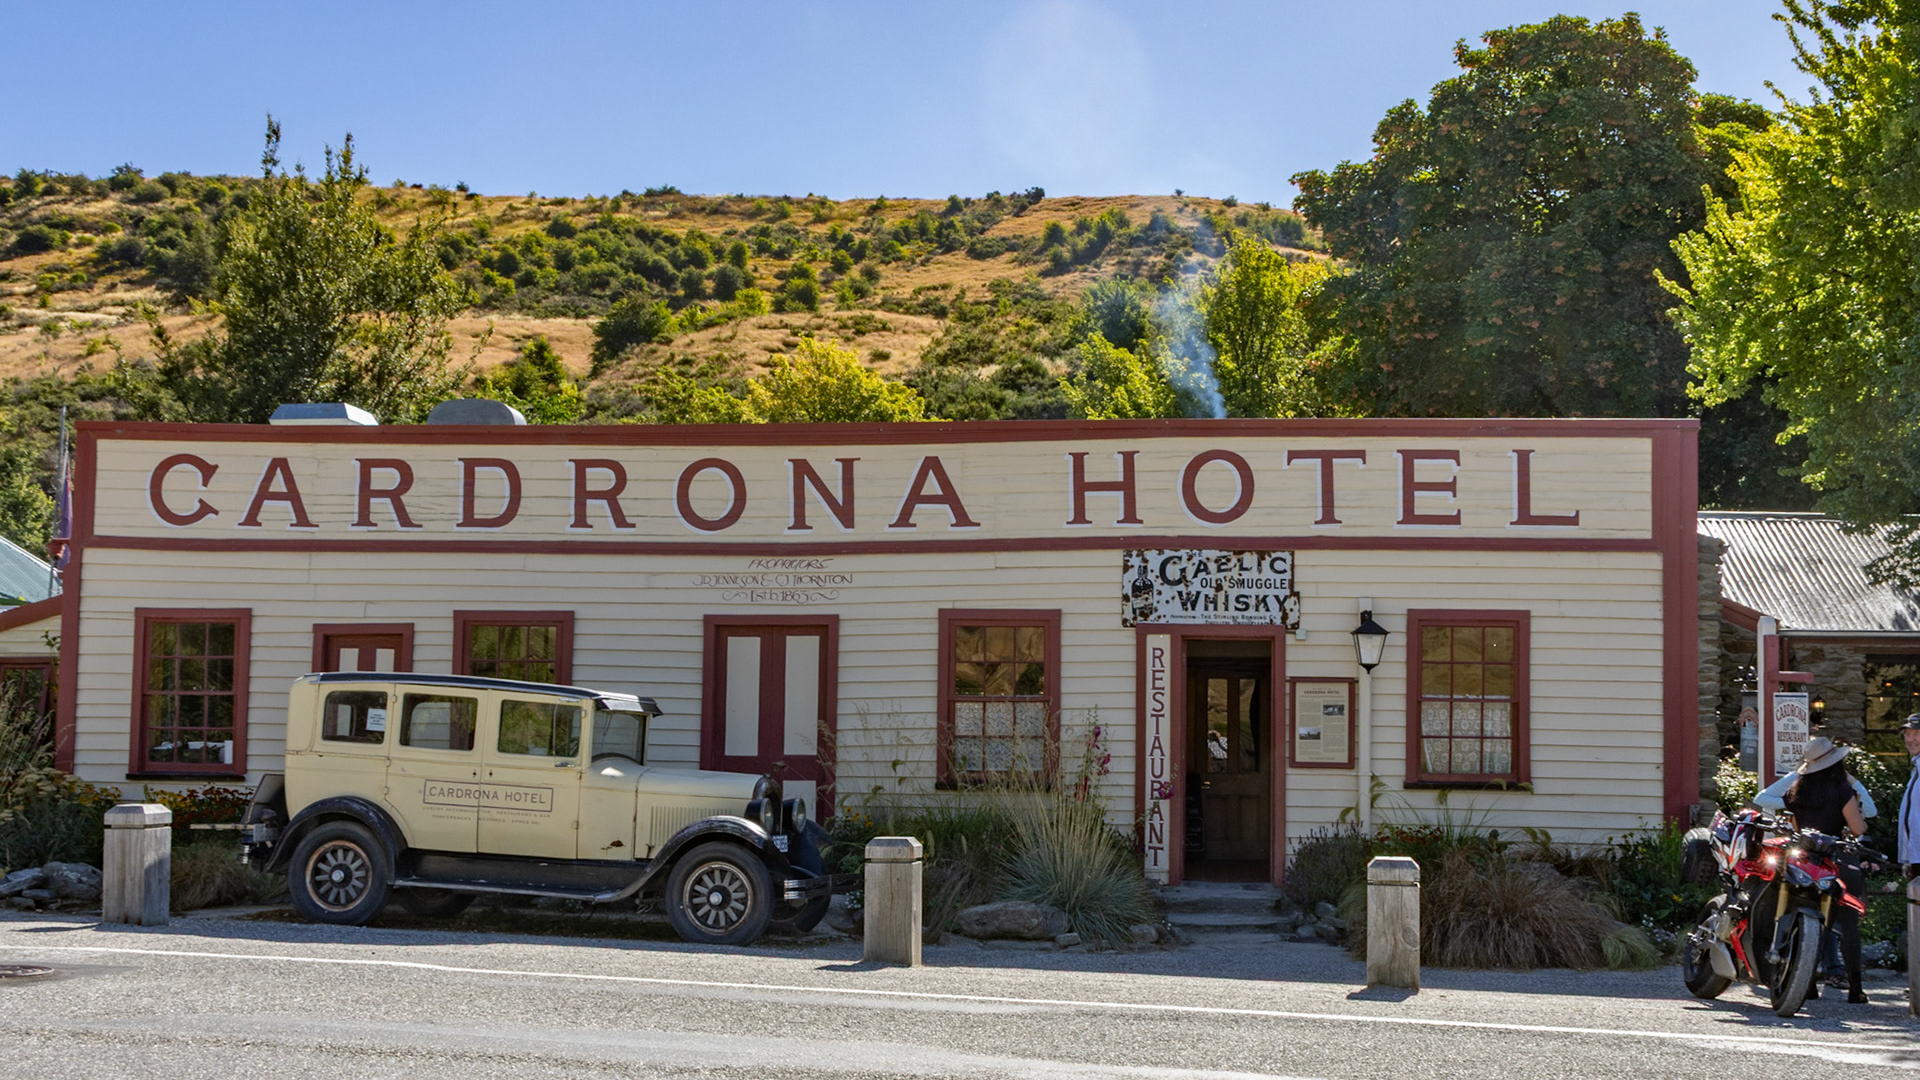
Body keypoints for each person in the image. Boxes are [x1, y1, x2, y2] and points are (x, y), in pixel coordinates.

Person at [1782, 736, 1869, 1003]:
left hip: (1805, 861)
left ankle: (1806, 985)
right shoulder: (1842, 790)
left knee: (1807, 919)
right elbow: (1858, 829)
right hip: (1835, 860)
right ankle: (1855, 989)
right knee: (1848, 924)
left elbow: (1797, 829)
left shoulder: (1796, 791)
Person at [1899, 715, 1920, 882]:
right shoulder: (1917, 769)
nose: (1910, 739)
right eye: (1907, 734)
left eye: (1917, 733)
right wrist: (1908, 859)